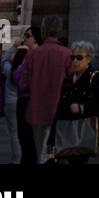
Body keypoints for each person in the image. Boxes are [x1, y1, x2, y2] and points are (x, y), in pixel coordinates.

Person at [17, 14, 72, 163]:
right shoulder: (67, 54)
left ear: (43, 31)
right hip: (59, 113)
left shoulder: (33, 54)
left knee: (40, 152)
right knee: (59, 154)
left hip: (37, 111)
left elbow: (23, 84)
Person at [54, 41, 99, 164]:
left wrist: (82, 108)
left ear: (89, 59)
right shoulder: (69, 80)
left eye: (79, 58)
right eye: (73, 57)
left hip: (86, 131)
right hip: (69, 131)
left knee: (80, 160)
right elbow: (60, 107)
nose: (75, 61)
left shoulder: (95, 79)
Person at [3, 26, 38, 164]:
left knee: (15, 133)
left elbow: (4, 61)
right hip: (26, 101)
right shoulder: (26, 64)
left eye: (27, 36)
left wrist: (13, 48)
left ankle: (16, 159)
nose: (25, 38)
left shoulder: (12, 70)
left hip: (15, 102)